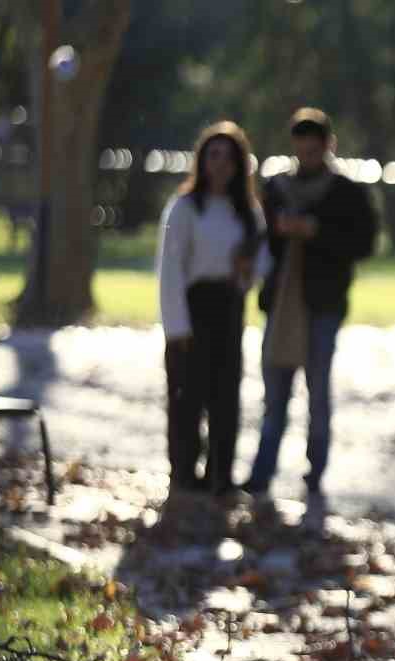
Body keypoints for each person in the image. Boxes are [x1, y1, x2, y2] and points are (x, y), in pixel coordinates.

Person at [241, 107, 378, 518]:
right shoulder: (277, 189)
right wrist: (281, 233)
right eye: (302, 147)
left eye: (315, 147)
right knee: (275, 390)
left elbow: (365, 243)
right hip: (282, 303)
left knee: (318, 390)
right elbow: (259, 240)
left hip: (324, 304)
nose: (308, 154)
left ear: (327, 146)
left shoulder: (347, 193)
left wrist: (317, 233)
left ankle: (315, 472)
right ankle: (262, 471)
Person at [156, 121, 263, 500]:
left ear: (239, 164)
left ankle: (221, 475)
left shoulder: (246, 211)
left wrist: (247, 271)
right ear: (202, 161)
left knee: (224, 396)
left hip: (229, 307)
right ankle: (184, 472)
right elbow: (169, 269)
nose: (220, 164)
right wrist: (177, 327)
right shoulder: (185, 208)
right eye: (213, 155)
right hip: (192, 307)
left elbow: (261, 260)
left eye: (228, 157)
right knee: (187, 396)